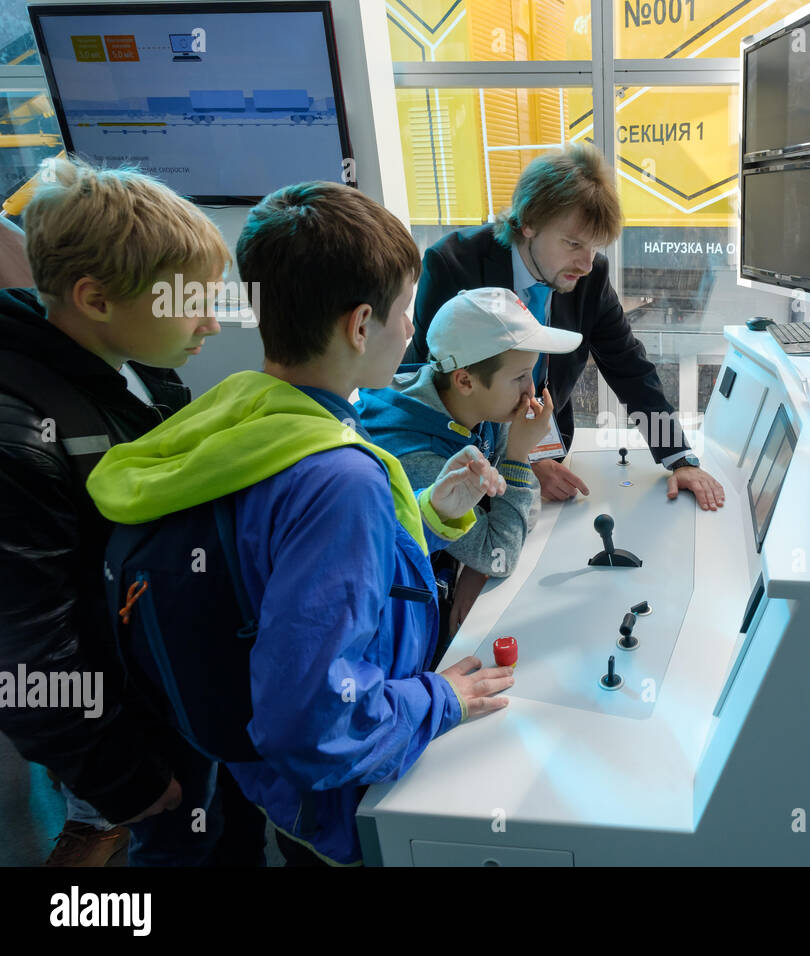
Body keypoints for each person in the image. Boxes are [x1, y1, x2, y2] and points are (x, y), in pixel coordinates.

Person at [87, 181, 516, 866]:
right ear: (359, 325)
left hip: (263, 786)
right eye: (404, 310)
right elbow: (315, 720)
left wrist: (431, 513)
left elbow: (274, 562)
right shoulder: (338, 482)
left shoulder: (242, 413)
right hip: (340, 805)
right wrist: (442, 698)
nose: (411, 330)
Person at [0, 157, 265, 866]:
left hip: (174, 678)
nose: (212, 322)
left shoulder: (138, 364)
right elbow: (29, 652)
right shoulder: (19, 442)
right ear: (94, 298)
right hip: (133, 729)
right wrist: (123, 778)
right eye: (190, 301)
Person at [404, 144, 726, 511]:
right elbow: (430, 387)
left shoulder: (591, 275)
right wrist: (521, 461)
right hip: (462, 470)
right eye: (573, 243)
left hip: (551, 455)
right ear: (527, 223)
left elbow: (629, 368)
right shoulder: (453, 264)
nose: (587, 263)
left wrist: (680, 458)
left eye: (595, 247)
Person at [358, 287, 581, 638]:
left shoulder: (482, 406)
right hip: (401, 628)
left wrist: (476, 566)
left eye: (531, 373)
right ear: (464, 380)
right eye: (520, 376)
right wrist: (520, 458)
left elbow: (508, 532)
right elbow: (502, 554)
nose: (531, 393)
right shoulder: (418, 457)